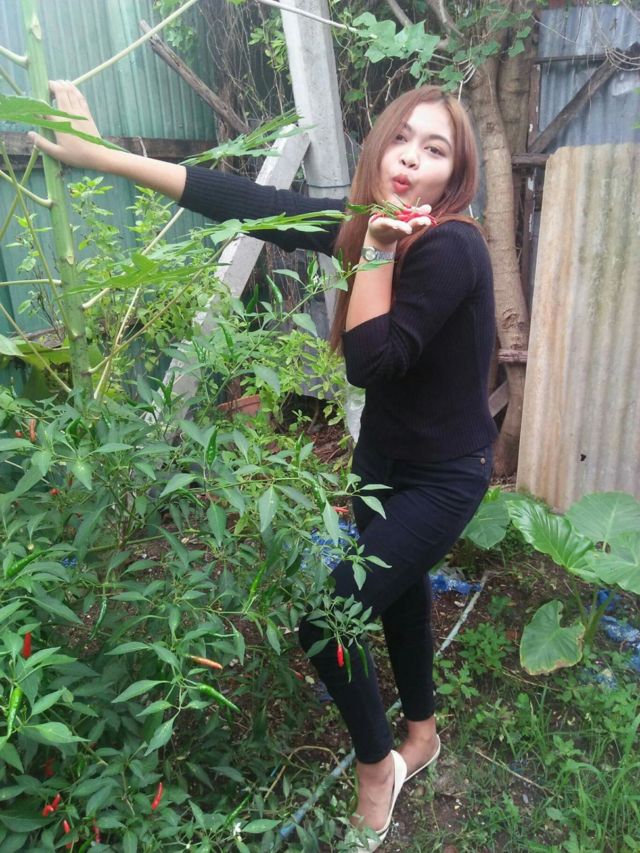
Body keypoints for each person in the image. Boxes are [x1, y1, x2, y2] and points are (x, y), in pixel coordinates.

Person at [30, 80, 497, 850]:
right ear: (379, 144)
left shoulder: (451, 246)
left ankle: (376, 767)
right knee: (401, 597)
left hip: (446, 475)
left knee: (326, 617)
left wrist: (378, 250)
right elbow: (256, 204)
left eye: (435, 149)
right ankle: (422, 734)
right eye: (401, 138)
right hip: (384, 460)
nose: (411, 158)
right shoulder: (369, 223)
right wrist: (106, 156)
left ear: (457, 173)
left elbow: (371, 362)